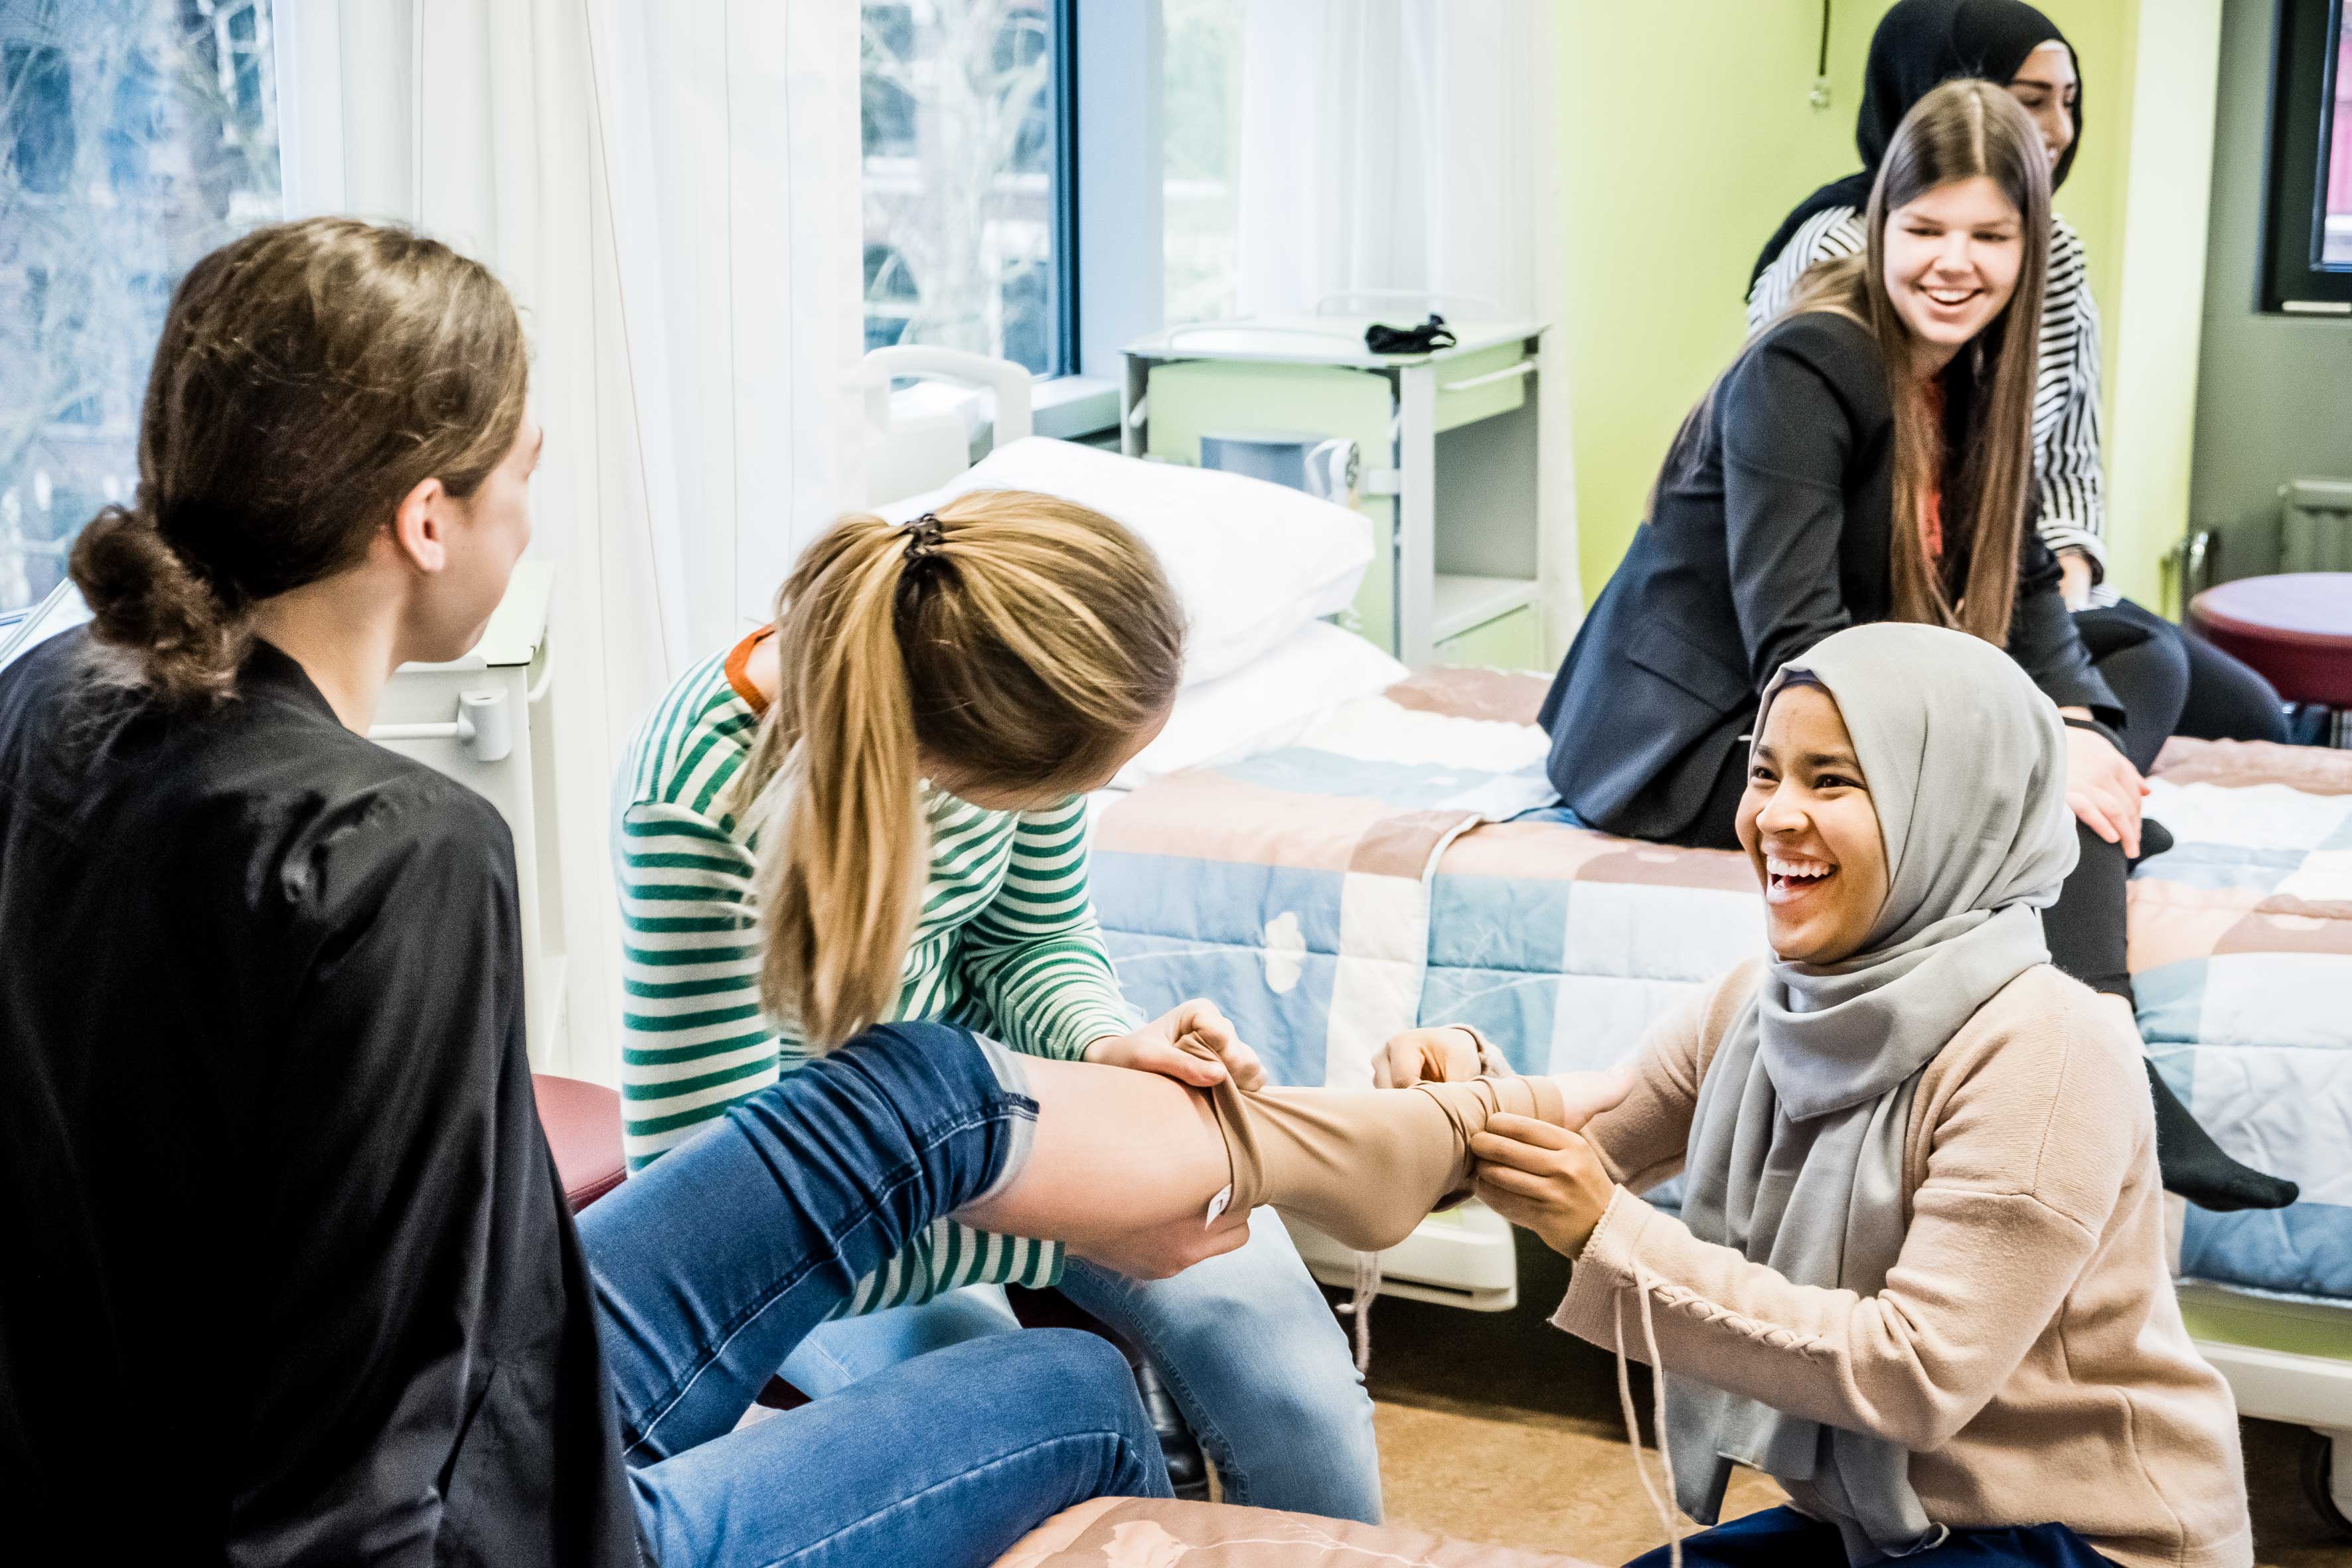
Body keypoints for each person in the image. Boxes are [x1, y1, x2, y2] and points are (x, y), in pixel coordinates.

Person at [0, 215, 1629, 1563]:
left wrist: (1096, 1062)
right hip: (486, 1518)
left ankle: (1300, 1153)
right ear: (425, 518)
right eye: (518, 474)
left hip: (399, 1387)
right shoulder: (399, 852)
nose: (527, 508)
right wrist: (1043, 1217)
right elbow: (366, 1443)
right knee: (1074, 1394)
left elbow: (384, 1286)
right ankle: (1340, 1155)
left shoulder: (54, 695)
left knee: (927, 1093)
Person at [1539, 81, 2293, 1214]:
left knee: (2138, 658)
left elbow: (2033, 589)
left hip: (1843, 689)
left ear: (2027, 247)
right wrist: (2040, 752)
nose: (1955, 263)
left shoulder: (1981, 369)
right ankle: (2109, 1046)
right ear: (1878, 227)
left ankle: (2071, 831)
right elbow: (1797, 646)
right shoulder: (1805, 367)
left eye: (1988, 236)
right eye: (1924, 229)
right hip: (1709, 734)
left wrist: (2075, 727)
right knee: (2031, 795)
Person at [614, 492, 1381, 1520]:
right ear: (962, 759)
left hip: (1000, 1121)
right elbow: (703, 1219)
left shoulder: (977, 673)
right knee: (1006, 1419)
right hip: (816, 1217)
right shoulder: (700, 799)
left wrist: (1108, 1044)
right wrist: (1069, 1233)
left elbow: (1029, 937)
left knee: (1295, 1380)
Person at [1491, 622, 2252, 1568]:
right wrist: (1461, 1092)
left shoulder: (2048, 1046)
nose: (1770, 815)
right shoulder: (1760, 1002)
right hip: (1879, 1523)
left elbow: (1912, 1374)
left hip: (2084, 1540)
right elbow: (1586, 1138)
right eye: (1763, 771)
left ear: (1948, 806)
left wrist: (1608, 1230)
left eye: (1830, 779)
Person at [1748, 0, 2289, 761]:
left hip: (2004, 578)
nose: (2059, 129)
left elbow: (2066, 460)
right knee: (2110, 706)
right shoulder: (1836, 257)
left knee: (2228, 700)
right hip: (1877, 598)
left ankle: (2060, 789)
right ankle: (2046, 800)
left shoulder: (2052, 251)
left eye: (2070, 102)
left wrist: (2053, 595)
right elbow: (1787, 474)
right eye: (2030, 100)